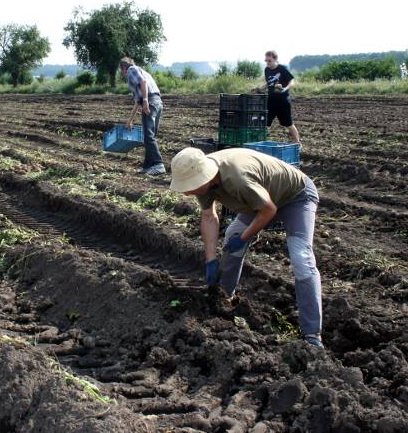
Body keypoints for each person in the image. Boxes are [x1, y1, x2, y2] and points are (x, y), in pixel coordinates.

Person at [169, 146, 323, 347]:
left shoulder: (237, 179)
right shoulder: (203, 181)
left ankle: (312, 334)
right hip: (258, 200)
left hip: (296, 196)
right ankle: (224, 297)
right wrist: (210, 260)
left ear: (203, 177)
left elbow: (269, 210)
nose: (187, 192)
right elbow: (209, 217)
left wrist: (244, 238)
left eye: (189, 186)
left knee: (301, 257)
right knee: (232, 234)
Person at [120, 56, 165, 175]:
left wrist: (145, 101)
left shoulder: (131, 70)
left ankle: (158, 164)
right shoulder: (141, 71)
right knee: (150, 136)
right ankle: (147, 166)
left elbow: (143, 82)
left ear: (123, 68)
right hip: (157, 102)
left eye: (121, 70)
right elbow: (137, 101)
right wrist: (130, 119)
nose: (122, 73)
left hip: (150, 101)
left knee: (148, 136)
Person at [263, 50, 300, 144]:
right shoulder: (267, 70)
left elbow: (292, 81)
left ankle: (297, 143)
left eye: (269, 61)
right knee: (264, 122)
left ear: (275, 59)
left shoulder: (282, 69)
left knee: (288, 123)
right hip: (271, 100)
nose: (267, 63)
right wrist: (259, 88)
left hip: (283, 101)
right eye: (266, 60)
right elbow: (269, 83)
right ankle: (261, 142)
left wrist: (285, 88)